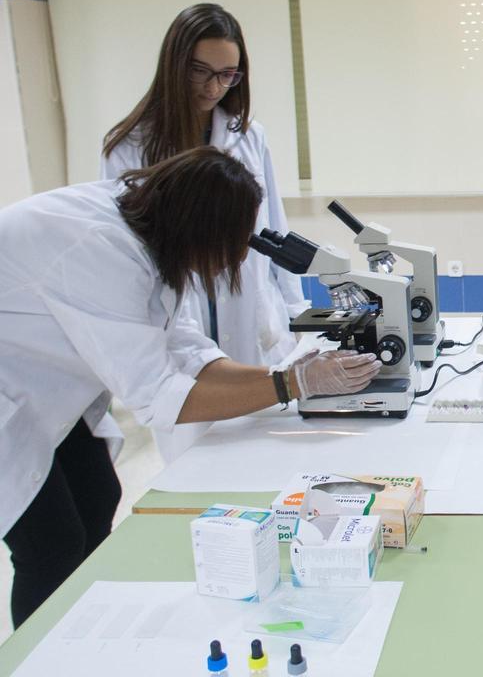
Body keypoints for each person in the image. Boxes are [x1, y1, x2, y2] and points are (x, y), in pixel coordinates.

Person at [0, 148, 380, 627]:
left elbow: (188, 352)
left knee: (97, 496)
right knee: (49, 545)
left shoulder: (153, 227)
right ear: (200, 228)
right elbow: (158, 397)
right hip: (9, 398)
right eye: (232, 244)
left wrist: (292, 377)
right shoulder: (99, 252)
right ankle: (43, 657)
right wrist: (291, 383)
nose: (236, 258)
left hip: (39, 386)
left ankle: (81, 630)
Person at [101, 3, 307, 460]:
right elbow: (130, 253)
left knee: (265, 458)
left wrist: (296, 314)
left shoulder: (248, 136)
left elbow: (274, 228)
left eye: (228, 75)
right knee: (196, 467)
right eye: (201, 71)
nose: (214, 87)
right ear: (174, 65)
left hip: (253, 319)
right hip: (178, 318)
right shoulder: (130, 147)